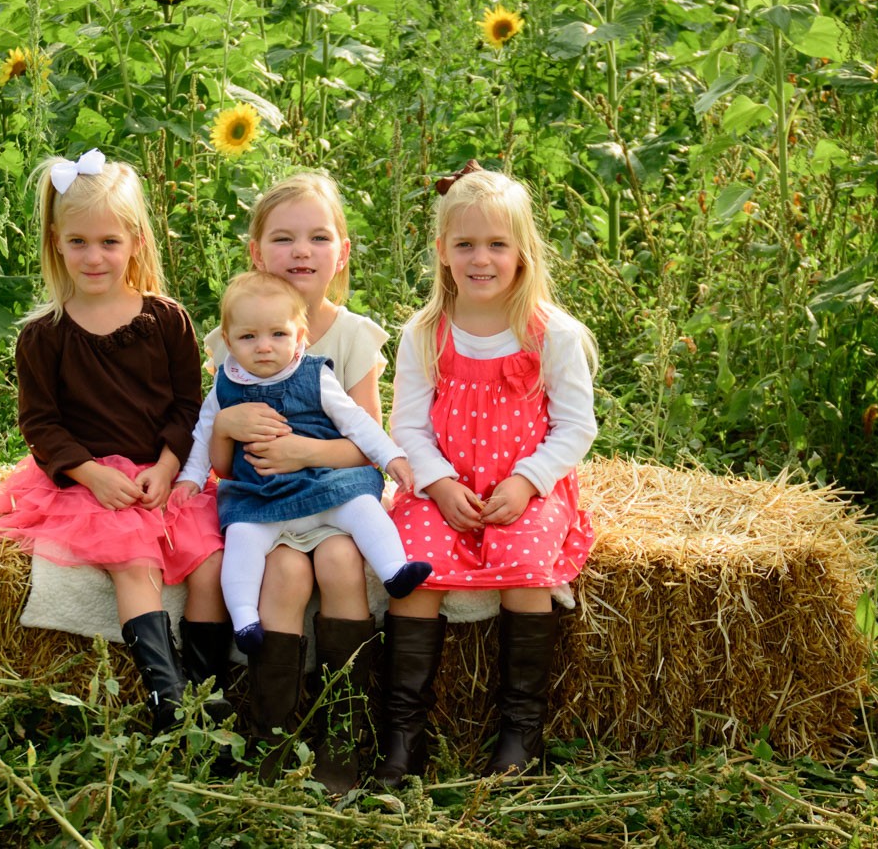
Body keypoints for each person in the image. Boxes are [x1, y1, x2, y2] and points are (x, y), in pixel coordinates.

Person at [0, 149, 231, 733]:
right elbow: (41, 423)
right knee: (133, 559)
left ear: (137, 242)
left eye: (109, 242)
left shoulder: (167, 320)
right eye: (78, 242)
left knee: (210, 561)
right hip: (91, 481)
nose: (93, 257)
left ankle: (209, 695)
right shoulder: (43, 335)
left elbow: (188, 406)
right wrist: (91, 473)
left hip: (163, 473)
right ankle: (167, 700)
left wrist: (169, 466)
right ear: (55, 243)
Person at [377, 166, 598, 784]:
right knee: (413, 571)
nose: (481, 259)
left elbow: (576, 427)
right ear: (442, 251)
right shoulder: (426, 332)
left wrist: (527, 481)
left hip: (523, 489)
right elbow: (408, 425)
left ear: (523, 251)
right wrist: (439, 483)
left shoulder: (550, 333)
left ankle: (520, 733)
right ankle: (404, 735)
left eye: (497, 244)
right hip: (442, 488)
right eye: (466, 244)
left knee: (526, 569)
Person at [200, 172, 389, 792]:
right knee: (282, 574)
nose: (301, 252)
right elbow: (220, 464)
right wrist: (226, 424)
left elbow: (367, 445)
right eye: (283, 239)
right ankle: (272, 735)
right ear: (257, 252)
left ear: (342, 252)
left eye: (317, 237)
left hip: (337, 494)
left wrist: (305, 450)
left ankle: (346, 733)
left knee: (339, 562)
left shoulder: (354, 336)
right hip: (266, 502)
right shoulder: (232, 337)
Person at [173, 272, 430, 654]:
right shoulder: (225, 385)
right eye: (248, 337)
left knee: (362, 506)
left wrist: (391, 455)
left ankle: (394, 570)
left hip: (322, 485)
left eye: (278, 334)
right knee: (241, 539)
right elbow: (203, 435)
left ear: (299, 335)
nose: (264, 347)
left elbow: (356, 422)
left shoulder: (315, 375)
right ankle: (245, 620)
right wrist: (191, 478)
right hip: (260, 497)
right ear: (227, 340)